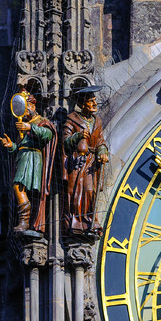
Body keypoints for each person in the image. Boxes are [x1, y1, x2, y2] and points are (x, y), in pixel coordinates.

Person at [0, 93, 56, 232]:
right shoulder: (25, 125)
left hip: (32, 158)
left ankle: (24, 221)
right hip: (23, 157)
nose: (25, 111)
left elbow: (48, 135)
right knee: (21, 189)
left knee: (18, 187)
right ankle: (26, 221)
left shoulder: (40, 121)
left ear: (32, 106)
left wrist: (30, 128)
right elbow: (20, 146)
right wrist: (11, 145)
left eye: (27, 106)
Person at [62, 86, 109, 234]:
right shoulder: (72, 120)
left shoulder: (97, 121)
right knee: (76, 192)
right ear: (82, 105)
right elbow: (65, 141)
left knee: (90, 191)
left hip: (91, 162)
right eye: (91, 101)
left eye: (95, 101)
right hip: (77, 161)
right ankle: (76, 222)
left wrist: (102, 152)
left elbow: (100, 142)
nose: (94, 104)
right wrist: (78, 136)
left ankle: (90, 220)